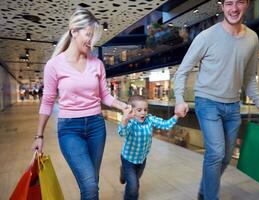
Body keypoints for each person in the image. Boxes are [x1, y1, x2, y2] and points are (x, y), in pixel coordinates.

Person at [173, 0, 259, 200]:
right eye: (229, 3)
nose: (234, 8)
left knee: (226, 157)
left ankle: (204, 191)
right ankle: (211, 197)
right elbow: (182, 71)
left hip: (233, 106)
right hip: (207, 102)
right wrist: (179, 98)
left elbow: (249, 77)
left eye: (239, 2)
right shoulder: (206, 37)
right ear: (222, 6)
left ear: (247, 4)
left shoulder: (252, 38)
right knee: (216, 153)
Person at [31, 8, 129, 200]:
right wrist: (39, 135)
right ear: (74, 31)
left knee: (93, 183)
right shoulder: (54, 65)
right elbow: (48, 100)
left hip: (96, 127)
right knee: (90, 185)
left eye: (94, 37)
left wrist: (122, 106)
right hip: (69, 130)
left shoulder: (97, 64)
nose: (92, 42)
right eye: (88, 35)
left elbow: (105, 96)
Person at [118, 95, 178, 200]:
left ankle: (123, 173)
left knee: (134, 181)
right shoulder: (131, 122)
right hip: (128, 159)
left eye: (145, 110)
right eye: (139, 110)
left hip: (141, 160)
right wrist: (125, 120)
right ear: (131, 111)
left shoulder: (149, 119)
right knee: (134, 186)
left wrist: (177, 115)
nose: (143, 113)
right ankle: (126, 179)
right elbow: (122, 133)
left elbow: (165, 124)